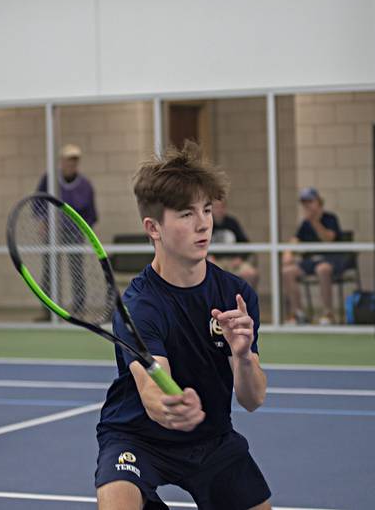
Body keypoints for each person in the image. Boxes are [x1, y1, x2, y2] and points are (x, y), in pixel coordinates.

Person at [94, 143, 272, 510]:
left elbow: (253, 400)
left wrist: (241, 355)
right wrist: (173, 406)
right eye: (186, 214)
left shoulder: (236, 294)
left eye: (206, 210)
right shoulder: (138, 308)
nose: (203, 223)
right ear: (153, 227)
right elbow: (153, 393)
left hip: (212, 440)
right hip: (138, 439)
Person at [35, 143, 97, 320]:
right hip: (51, 231)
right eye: (69, 160)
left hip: (74, 234)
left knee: (77, 269)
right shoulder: (49, 179)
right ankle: (47, 311)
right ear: (61, 161)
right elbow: (38, 201)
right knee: (49, 270)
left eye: (75, 161)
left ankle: (78, 309)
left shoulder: (85, 185)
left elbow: (91, 213)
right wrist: (42, 222)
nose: (72, 164)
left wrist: (85, 231)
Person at [282, 187, 346, 325]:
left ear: (319, 202)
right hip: (310, 261)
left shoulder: (330, 218)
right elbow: (295, 240)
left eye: (310, 201)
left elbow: (328, 239)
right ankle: (298, 313)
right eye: (304, 202)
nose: (307, 205)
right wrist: (288, 253)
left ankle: (328, 313)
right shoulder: (305, 224)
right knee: (288, 272)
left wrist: (314, 222)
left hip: (331, 260)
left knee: (322, 269)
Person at [208, 198, 259, 288]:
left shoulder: (232, 223)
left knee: (251, 273)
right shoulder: (207, 224)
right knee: (212, 274)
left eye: (222, 207)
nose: (219, 210)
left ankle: (247, 300)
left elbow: (245, 244)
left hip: (233, 261)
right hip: (216, 261)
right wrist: (207, 257)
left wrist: (240, 258)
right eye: (216, 207)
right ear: (211, 208)